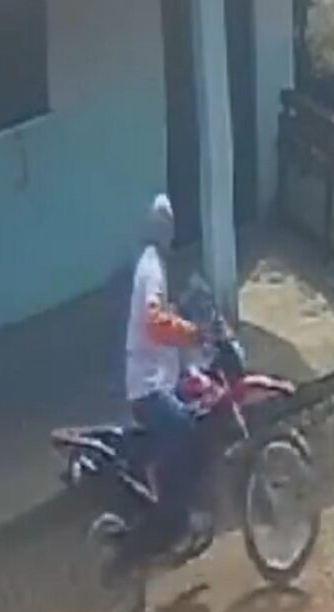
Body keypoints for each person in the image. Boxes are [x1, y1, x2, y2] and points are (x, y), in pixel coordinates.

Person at [125, 195, 204, 546]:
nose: (168, 231)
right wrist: (191, 332)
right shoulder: (152, 267)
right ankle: (173, 520)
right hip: (149, 387)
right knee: (184, 429)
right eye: (165, 224)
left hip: (157, 381)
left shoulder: (152, 266)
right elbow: (155, 323)